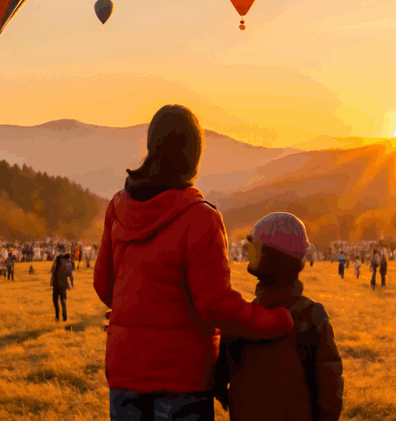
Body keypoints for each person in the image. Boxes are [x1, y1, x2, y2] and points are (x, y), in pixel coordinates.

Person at [93, 105, 294, 421]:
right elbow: (215, 305)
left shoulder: (119, 207)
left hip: (125, 371)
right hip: (181, 377)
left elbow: (104, 285)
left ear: (152, 146)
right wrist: (276, 320)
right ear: (193, 154)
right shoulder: (200, 218)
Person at [214, 213, 343, 421]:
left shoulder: (241, 319)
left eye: (255, 246)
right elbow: (329, 389)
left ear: (273, 258)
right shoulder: (311, 316)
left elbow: (218, 377)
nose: (247, 250)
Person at [50, 244, 74, 322]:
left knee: (56, 300)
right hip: (62, 282)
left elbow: (52, 270)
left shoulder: (58, 259)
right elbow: (70, 272)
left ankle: (58, 316)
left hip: (57, 283)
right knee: (62, 300)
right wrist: (71, 281)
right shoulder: (67, 261)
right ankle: (64, 316)